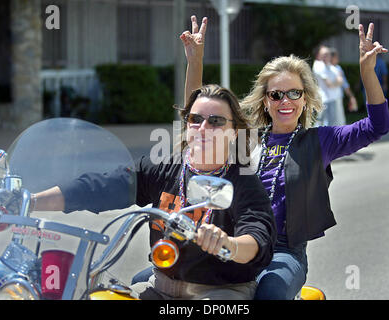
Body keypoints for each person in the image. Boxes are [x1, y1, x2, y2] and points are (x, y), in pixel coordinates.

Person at [180, 16, 389, 300]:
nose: (286, 101)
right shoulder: (246, 138)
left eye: (294, 93)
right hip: (233, 241)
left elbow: (378, 126)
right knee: (157, 280)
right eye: (277, 94)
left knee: (270, 294)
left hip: (283, 251)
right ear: (266, 100)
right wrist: (195, 61)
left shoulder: (320, 141)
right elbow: (198, 119)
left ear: (305, 99)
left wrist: (368, 70)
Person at [30, 84, 277, 300]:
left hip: (221, 291)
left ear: (233, 131)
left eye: (216, 121)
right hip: (160, 287)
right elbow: (98, 187)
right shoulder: (164, 169)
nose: (203, 128)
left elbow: (257, 237)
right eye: (195, 119)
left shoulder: (243, 183)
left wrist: (229, 244)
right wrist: (29, 202)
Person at [312, 45, 344, 126]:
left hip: (335, 99)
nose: (327, 56)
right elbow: (330, 84)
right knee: (326, 126)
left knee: (337, 126)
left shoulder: (331, 67)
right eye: (324, 54)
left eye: (328, 54)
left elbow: (341, 80)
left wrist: (336, 82)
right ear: (318, 55)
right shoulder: (318, 65)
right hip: (325, 101)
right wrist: (337, 82)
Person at [329, 47, 358, 125]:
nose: (338, 58)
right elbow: (343, 83)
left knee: (339, 123)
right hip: (329, 101)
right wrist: (351, 97)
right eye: (336, 56)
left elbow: (344, 84)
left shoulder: (338, 67)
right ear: (331, 57)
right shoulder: (327, 68)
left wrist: (351, 97)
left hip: (337, 99)